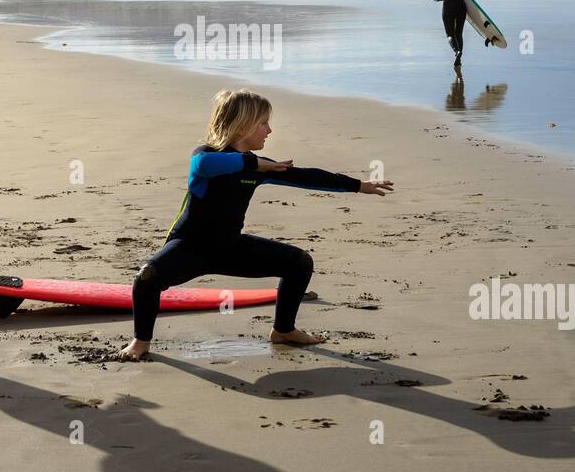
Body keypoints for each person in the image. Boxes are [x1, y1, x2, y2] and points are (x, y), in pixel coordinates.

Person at [117, 89, 392, 361]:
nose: (269, 131)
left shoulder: (259, 167)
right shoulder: (206, 156)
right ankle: (140, 342)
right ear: (242, 126)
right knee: (147, 277)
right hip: (190, 248)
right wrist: (254, 163)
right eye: (263, 123)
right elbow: (204, 164)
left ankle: (283, 330)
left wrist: (358, 186)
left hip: (229, 247)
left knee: (299, 263)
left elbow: (307, 177)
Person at [429, 0, 467, 68]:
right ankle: (460, 57)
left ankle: (457, 52)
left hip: (448, 7)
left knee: (450, 34)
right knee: (459, 33)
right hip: (461, 6)